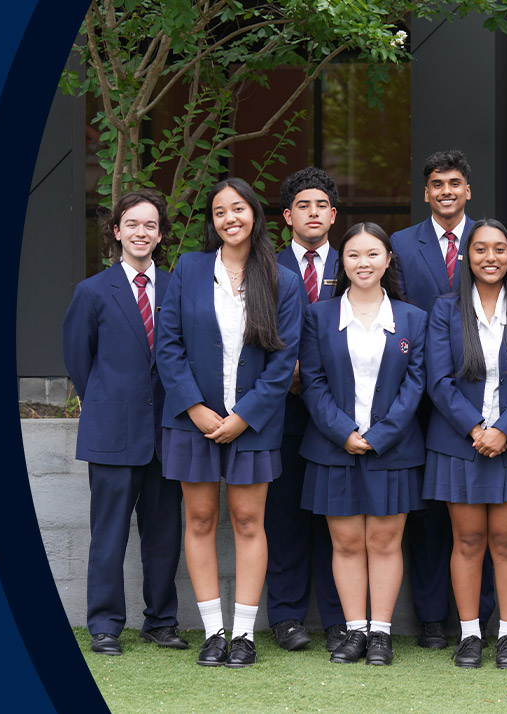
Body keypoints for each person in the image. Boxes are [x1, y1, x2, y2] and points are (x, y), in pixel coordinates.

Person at [155, 177, 305, 668]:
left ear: (254, 214)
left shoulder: (281, 278)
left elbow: (284, 361)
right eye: (219, 212)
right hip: (191, 421)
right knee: (199, 520)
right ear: (212, 222)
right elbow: (168, 346)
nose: (229, 219)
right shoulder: (189, 269)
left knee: (247, 521)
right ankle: (213, 633)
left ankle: (243, 634)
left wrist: (244, 416)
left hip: (254, 424)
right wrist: (194, 408)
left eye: (237, 209)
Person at [295, 223, 428, 667]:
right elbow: (312, 381)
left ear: (388, 260)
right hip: (333, 447)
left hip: (395, 449)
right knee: (347, 542)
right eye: (353, 255)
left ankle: (382, 634)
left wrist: (380, 435)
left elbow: (416, 384)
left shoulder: (413, 318)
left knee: (386, 542)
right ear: (342, 263)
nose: (363, 263)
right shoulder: (318, 316)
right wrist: (343, 432)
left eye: (373, 254)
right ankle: (355, 631)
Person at [61, 190, 187, 656]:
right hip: (112, 431)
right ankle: (105, 625)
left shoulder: (177, 288)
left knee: (164, 535)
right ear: (116, 231)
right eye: (132, 224)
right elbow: (79, 361)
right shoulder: (92, 291)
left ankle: (161, 621)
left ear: (161, 235)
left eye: (150, 225)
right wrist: (109, 402)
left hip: (168, 431)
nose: (141, 232)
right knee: (109, 534)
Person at [424, 219, 507, 669]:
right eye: (480, 249)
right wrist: (476, 429)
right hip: (459, 444)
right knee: (468, 540)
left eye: (499, 248)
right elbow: (438, 379)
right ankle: (470, 635)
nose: (490, 257)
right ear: (467, 256)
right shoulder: (445, 309)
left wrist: (504, 431)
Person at [388, 149, 486, 648]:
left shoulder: (489, 240)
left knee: (483, 508)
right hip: (421, 398)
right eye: (437, 184)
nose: (446, 191)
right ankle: (431, 617)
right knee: (427, 513)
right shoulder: (402, 245)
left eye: (454, 183)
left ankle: (482, 618)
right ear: (426, 193)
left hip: (483, 400)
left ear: (468, 189)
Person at [265, 167, 348, 653]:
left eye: (321, 206)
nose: (313, 213)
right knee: (284, 517)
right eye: (303, 206)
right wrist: (288, 370)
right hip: (283, 413)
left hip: (340, 414)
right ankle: (287, 617)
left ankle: (339, 619)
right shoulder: (266, 267)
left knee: (335, 520)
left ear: (333, 215)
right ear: (287, 216)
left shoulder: (356, 260)